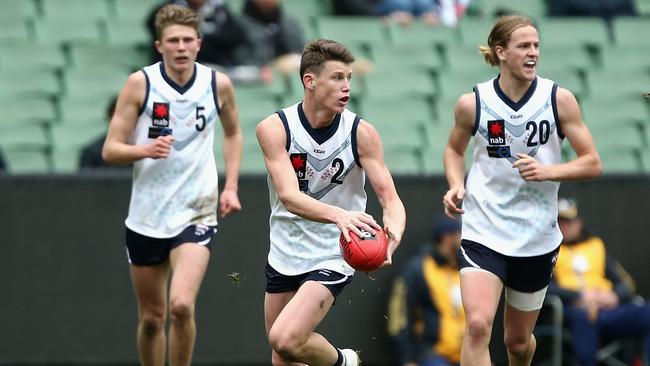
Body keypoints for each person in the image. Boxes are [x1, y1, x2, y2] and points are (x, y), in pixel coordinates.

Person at [441, 15, 601, 366]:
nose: (533, 53)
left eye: (537, 46)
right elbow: (454, 150)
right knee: (479, 326)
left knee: (516, 341)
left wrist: (548, 171)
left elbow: (592, 162)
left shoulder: (559, 100)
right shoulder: (473, 103)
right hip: (484, 228)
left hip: (536, 234)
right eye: (524, 46)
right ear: (500, 52)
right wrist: (456, 184)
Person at [103, 4, 242, 366]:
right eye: (172, 41)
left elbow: (233, 133)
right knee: (152, 318)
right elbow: (110, 150)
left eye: (186, 40)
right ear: (159, 46)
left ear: (198, 44)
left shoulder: (217, 84)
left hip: (197, 206)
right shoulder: (140, 84)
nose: (180, 47)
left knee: (181, 305)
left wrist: (231, 187)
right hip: (147, 213)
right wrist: (143, 149)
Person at [256, 38, 406, 366]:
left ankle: (344, 362)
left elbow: (390, 198)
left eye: (349, 78)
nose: (347, 86)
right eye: (338, 77)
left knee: (284, 337)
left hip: (335, 250)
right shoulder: (274, 128)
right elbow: (289, 197)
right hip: (284, 249)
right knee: (284, 355)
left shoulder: (360, 133)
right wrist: (340, 214)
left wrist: (392, 236)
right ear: (309, 81)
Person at [548, 197, 650, 366]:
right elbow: (545, 288)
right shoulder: (549, 251)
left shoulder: (596, 245)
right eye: (560, 221)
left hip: (608, 310)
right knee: (584, 319)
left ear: (578, 223)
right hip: (575, 311)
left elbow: (626, 282)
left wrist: (615, 296)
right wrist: (578, 296)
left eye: (568, 221)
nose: (564, 226)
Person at [387, 217, 464, 366]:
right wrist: (407, 359)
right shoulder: (419, 268)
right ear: (447, 237)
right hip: (432, 355)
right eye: (461, 233)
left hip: (466, 353)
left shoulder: (467, 270)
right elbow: (399, 315)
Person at [146, 0, 248, 67]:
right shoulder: (165, 11)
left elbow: (236, 37)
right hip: (170, 67)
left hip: (216, 66)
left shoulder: (220, 11)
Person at [233, 0, 306, 84]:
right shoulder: (238, 26)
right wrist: (274, 66)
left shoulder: (290, 23)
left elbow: (303, 52)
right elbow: (240, 61)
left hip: (293, 75)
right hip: (259, 81)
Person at [79, 96, 132, 170]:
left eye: (128, 118)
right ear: (109, 118)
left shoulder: (144, 151)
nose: (122, 123)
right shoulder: (91, 152)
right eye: (118, 118)